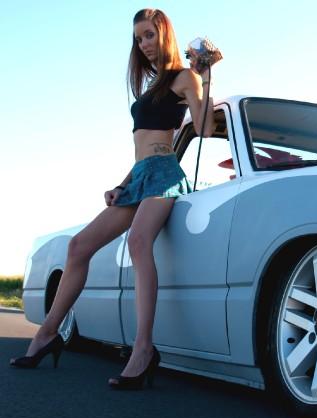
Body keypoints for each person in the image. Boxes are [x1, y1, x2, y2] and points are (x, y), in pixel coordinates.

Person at [9, 8, 216, 391]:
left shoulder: (184, 77)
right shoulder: (151, 87)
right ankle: (48, 333)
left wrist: (203, 77)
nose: (144, 44)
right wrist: (122, 185)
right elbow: (140, 152)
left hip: (165, 175)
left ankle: (143, 348)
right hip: (139, 177)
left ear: (164, 34)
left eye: (149, 35)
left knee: (138, 242)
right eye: (139, 38)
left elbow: (203, 129)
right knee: (78, 247)